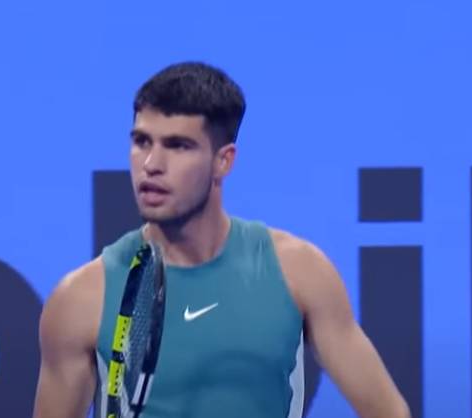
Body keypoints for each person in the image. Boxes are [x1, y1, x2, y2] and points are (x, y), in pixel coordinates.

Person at [32, 61, 410, 418]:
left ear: (223, 160)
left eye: (178, 146)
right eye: (142, 141)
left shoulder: (298, 271)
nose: (151, 165)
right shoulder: (82, 298)